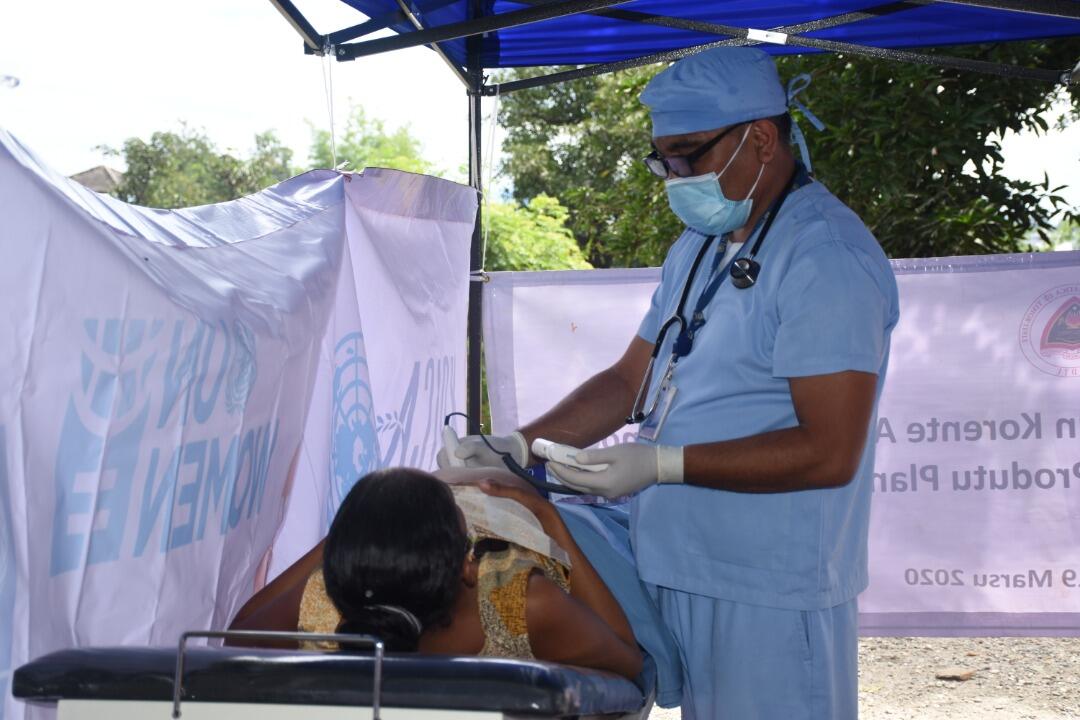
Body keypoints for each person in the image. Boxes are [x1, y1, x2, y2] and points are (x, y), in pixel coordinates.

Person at [441, 47, 899, 719]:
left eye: (688, 156)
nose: (675, 178)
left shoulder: (825, 259)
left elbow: (830, 451)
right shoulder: (702, 246)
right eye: (664, 161)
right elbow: (631, 378)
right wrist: (516, 447)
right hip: (676, 556)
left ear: (762, 138)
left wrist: (662, 464)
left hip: (767, 585)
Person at [228, 467, 643, 680]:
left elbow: (235, 638)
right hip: (513, 514)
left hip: (449, 518)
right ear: (469, 562)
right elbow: (629, 660)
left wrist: (347, 540)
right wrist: (549, 517)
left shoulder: (327, 598)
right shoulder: (521, 600)